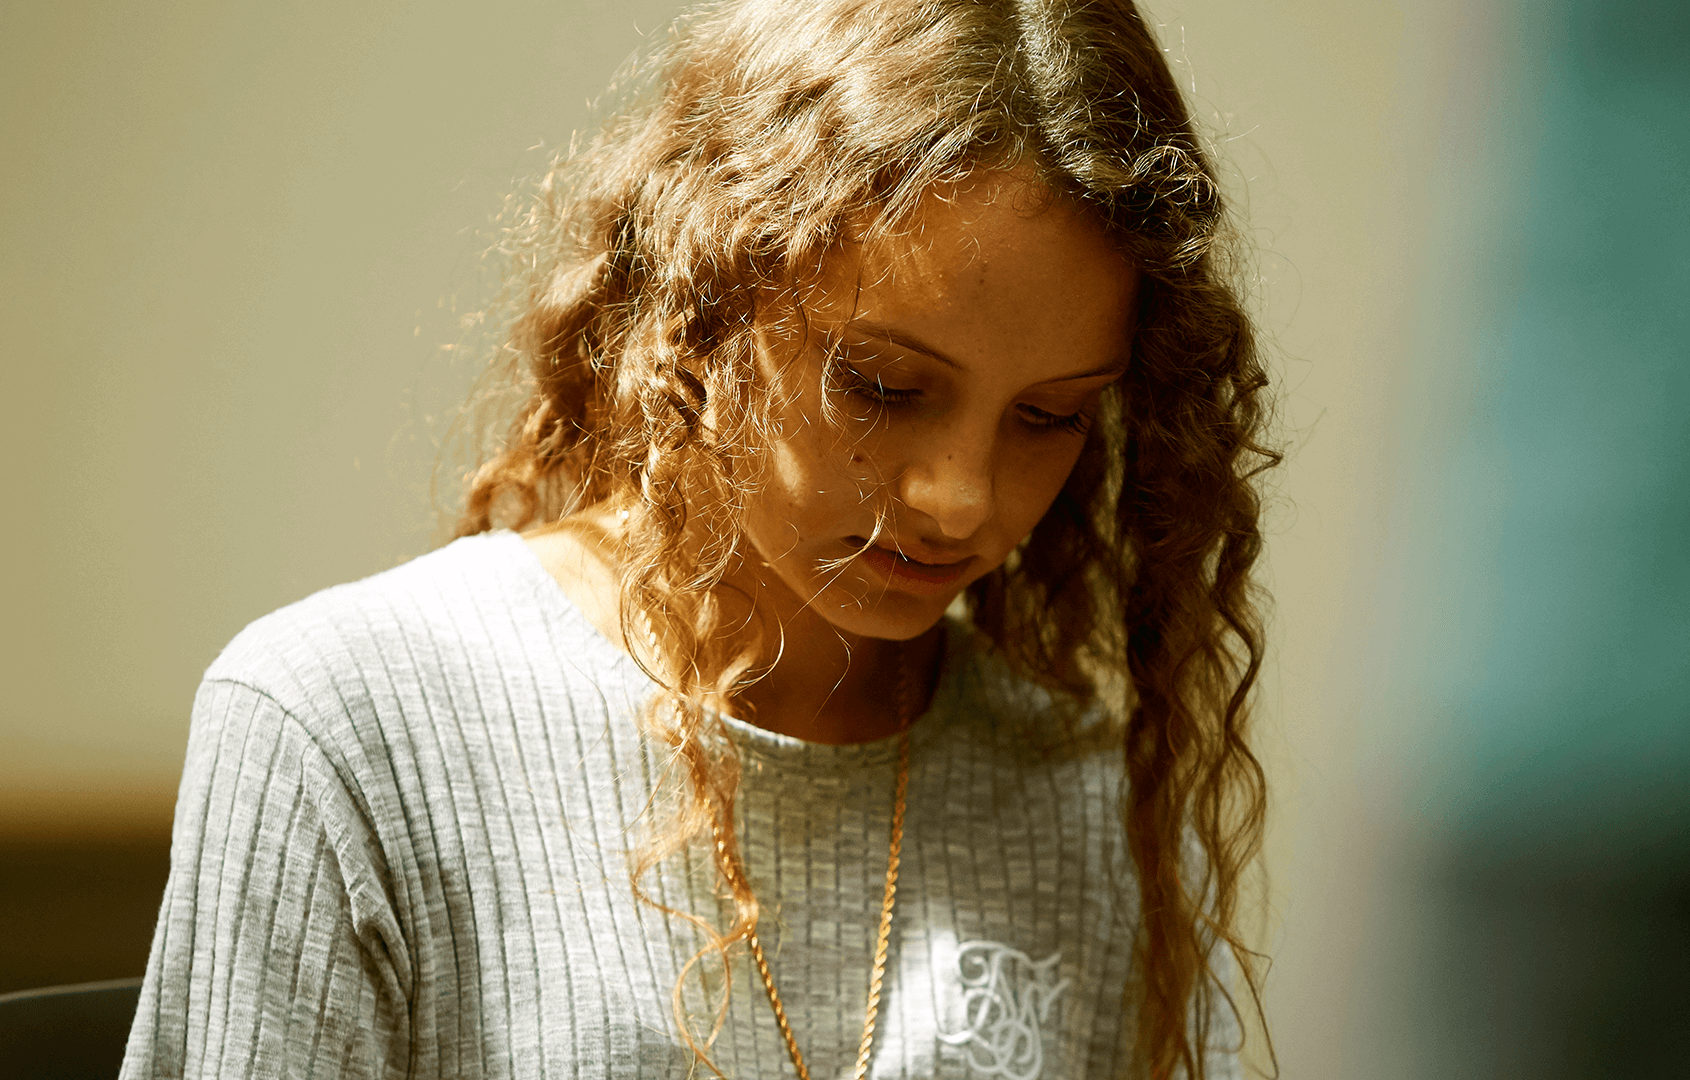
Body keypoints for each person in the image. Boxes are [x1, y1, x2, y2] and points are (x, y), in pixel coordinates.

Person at [120, 0, 1277, 1076]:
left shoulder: (1083, 801)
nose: (961, 497)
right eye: (879, 386)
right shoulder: (342, 725)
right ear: (709, 300)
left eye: (1049, 416)